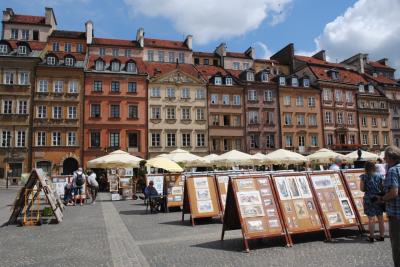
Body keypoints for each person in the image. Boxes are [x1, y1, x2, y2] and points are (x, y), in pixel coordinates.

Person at [380, 146, 400, 267]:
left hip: (396, 214)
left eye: (385, 157)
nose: (384, 159)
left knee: (397, 245)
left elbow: (393, 192)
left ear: (390, 157)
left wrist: (382, 198)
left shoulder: (393, 170)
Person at [360, 161, 385, 242]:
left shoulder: (364, 176)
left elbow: (362, 189)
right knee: (380, 218)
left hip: (369, 198)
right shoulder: (380, 176)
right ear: (374, 167)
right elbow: (382, 188)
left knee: (371, 219)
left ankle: (371, 237)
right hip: (378, 197)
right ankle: (382, 236)